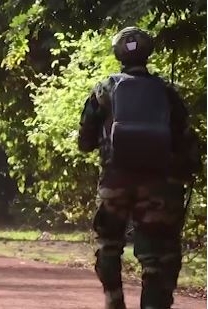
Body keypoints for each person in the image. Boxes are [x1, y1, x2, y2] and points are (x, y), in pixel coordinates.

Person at [78, 27, 196, 309]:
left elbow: (84, 141)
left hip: (115, 181)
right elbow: (185, 140)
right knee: (158, 255)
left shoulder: (103, 90)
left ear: (117, 53)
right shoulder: (166, 91)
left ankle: (114, 302)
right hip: (159, 184)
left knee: (108, 246)